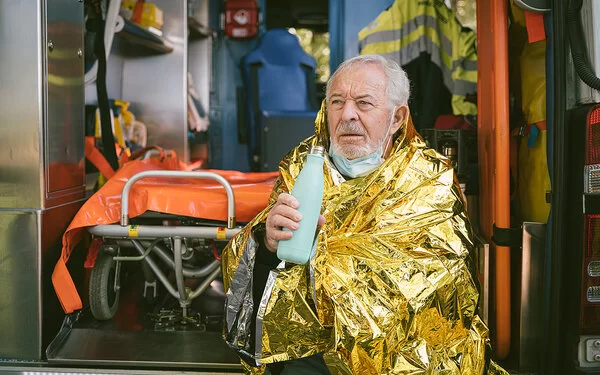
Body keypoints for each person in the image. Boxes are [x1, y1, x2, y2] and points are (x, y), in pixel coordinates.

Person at [222, 54, 507, 375]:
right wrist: (267, 241)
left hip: (403, 358)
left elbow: (439, 286)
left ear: (397, 117)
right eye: (336, 102)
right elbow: (266, 270)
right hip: (310, 349)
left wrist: (337, 260)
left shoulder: (427, 180)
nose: (347, 115)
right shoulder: (302, 165)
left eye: (364, 103)